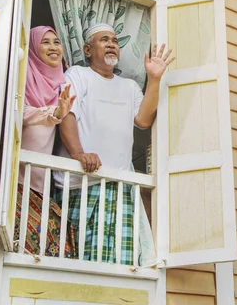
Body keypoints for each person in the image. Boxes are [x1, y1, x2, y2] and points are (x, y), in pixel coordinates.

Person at [54, 22, 173, 265]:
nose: (111, 44)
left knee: (119, 262)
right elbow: (67, 115)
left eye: (115, 41)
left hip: (119, 187)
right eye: (104, 39)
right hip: (81, 184)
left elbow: (143, 120)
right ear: (87, 50)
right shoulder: (77, 75)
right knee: (79, 262)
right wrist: (79, 154)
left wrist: (154, 78)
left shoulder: (128, 86)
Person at [14, 26, 76, 258]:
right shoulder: (22, 77)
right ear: (32, 48)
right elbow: (19, 112)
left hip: (39, 185)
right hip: (14, 182)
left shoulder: (62, 87)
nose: (53, 47)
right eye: (46, 42)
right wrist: (53, 112)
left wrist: (58, 111)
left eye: (57, 42)